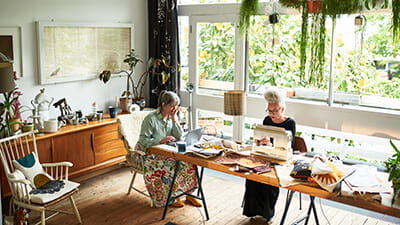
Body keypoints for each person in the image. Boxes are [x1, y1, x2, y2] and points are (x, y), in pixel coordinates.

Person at [135, 90, 202, 208]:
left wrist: (174, 118)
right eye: (172, 106)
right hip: (150, 152)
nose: (174, 108)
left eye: (176, 106)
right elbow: (143, 140)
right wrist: (159, 141)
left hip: (167, 150)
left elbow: (179, 136)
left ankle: (189, 194)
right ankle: (172, 196)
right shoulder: (150, 119)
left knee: (190, 162)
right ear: (163, 104)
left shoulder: (172, 117)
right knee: (172, 165)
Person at [242, 86, 296, 223]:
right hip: (265, 155)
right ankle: (252, 211)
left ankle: (267, 213)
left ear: (282, 109)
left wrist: (271, 145)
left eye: (275, 111)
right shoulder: (267, 120)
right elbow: (260, 139)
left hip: (280, 159)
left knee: (268, 180)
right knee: (252, 176)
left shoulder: (290, 123)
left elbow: (290, 146)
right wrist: (260, 141)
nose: (271, 113)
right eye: (269, 110)